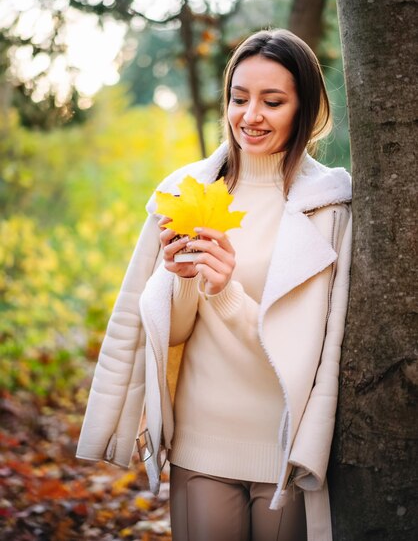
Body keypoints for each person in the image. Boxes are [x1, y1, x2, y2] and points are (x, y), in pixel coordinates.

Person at [76, 28, 352, 541]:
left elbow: (307, 349)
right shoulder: (187, 192)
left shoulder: (329, 206)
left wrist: (225, 290)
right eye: (239, 98)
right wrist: (182, 282)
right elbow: (170, 334)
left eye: (273, 101)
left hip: (284, 451)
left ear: (305, 108)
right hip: (201, 444)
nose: (251, 116)